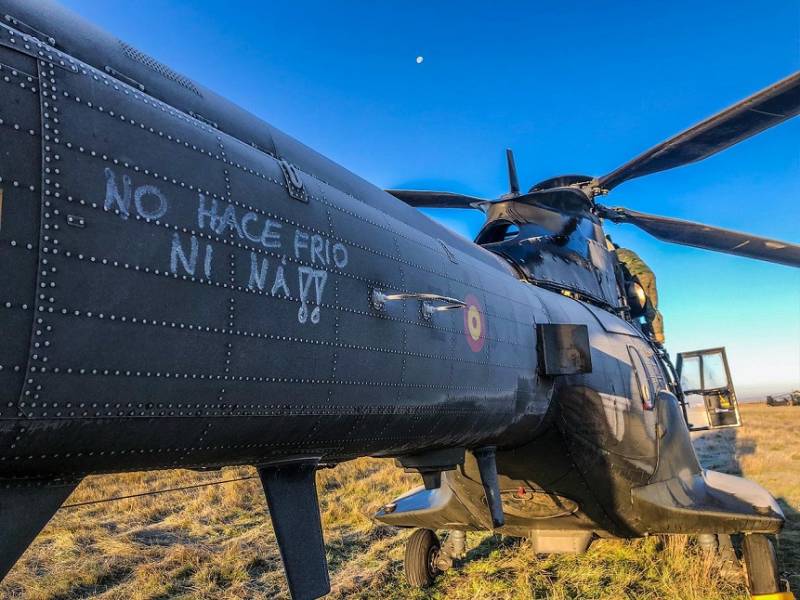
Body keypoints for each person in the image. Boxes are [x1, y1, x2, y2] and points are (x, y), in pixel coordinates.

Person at [614, 246, 665, 345]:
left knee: (647, 306)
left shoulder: (617, 253)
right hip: (648, 274)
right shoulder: (629, 252)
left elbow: (611, 262)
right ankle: (658, 335)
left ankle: (657, 335)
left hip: (639, 275)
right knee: (651, 306)